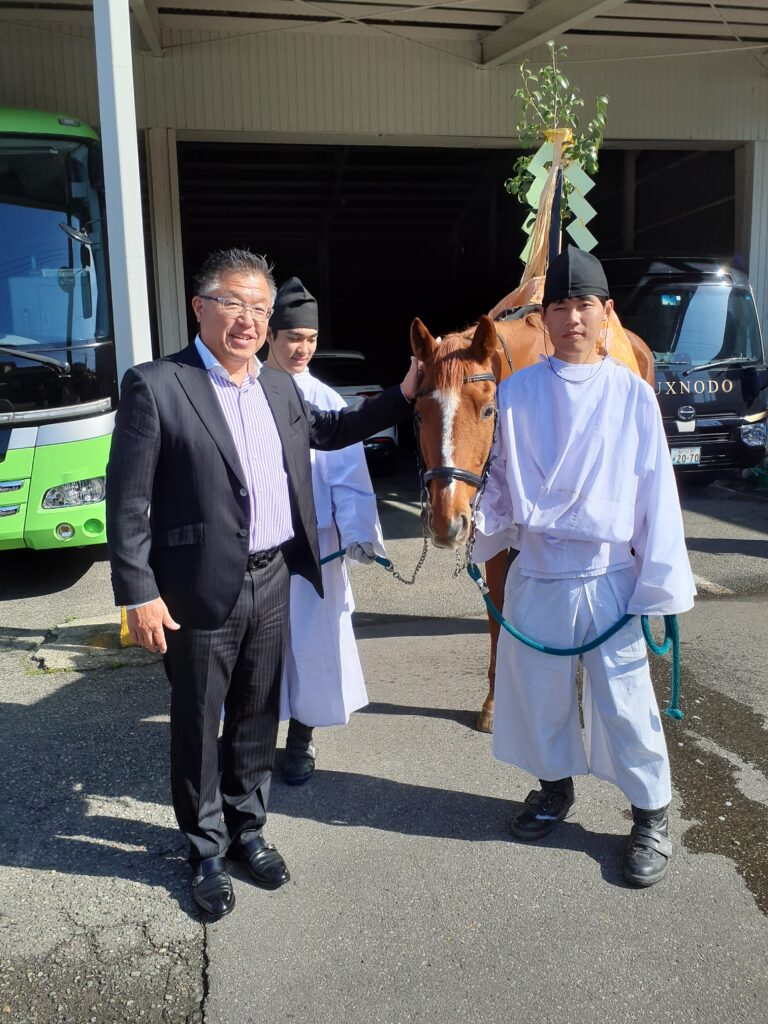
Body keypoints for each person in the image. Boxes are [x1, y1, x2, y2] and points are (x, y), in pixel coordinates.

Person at [106, 249, 419, 920]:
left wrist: (405, 394)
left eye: (259, 309)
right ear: (200, 307)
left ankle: (248, 829)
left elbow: (334, 430)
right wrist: (138, 591)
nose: (247, 320)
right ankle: (205, 849)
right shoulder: (158, 385)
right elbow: (128, 501)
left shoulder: (279, 387)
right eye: (233, 304)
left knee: (255, 714)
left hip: (273, 576)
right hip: (194, 587)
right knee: (197, 723)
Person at [473, 245, 696, 887]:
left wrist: (657, 583)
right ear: (542, 318)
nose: (572, 318)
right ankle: (553, 788)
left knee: (625, 700)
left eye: (584, 306)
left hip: (608, 576)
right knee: (537, 694)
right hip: (538, 570)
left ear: (607, 315)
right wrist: (479, 527)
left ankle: (651, 812)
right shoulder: (514, 396)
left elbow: (656, 492)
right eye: (560, 307)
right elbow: (503, 484)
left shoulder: (632, 396)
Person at [264, 277, 384, 784]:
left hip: (318, 546)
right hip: (260, 547)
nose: (302, 348)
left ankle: (301, 741)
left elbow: (350, 477)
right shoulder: (243, 390)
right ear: (270, 335)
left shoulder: (325, 398)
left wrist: (357, 535)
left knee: (312, 645)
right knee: (259, 647)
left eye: (310, 339)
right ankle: (249, 738)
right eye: (293, 337)